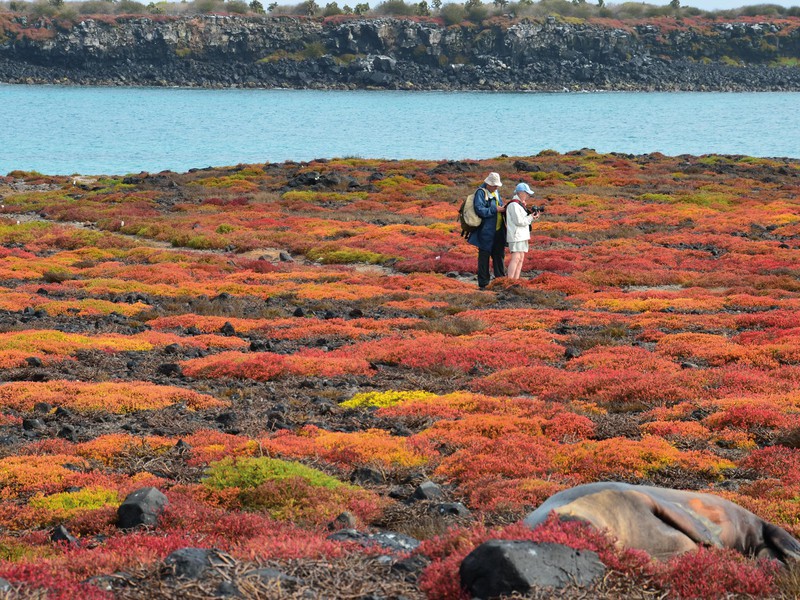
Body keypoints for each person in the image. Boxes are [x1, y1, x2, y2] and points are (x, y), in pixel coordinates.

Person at [468, 172, 506, 290]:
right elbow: (480, 210)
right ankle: (483, 283)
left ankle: (500, 280)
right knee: (484, 257)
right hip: (486, 231)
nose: (496, 187)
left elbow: (499, 205)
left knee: (499, 255)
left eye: (497, 185)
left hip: (498, 230)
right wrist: (496, 209)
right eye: (494, 185)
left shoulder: (495, 192)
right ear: (488, 184)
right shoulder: (481, 192)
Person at [505, 182, 539, 280]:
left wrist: (530, 217)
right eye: (526, 193)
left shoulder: (520, 204)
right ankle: (510, 280)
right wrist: (530, 217)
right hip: (516, 235)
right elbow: (519, 221)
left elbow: (522, 220)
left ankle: (516, 280)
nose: (528, 195)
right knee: (516, 258)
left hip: (522, 235)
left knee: (520, 259)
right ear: (520, 192)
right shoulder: (514, 205)